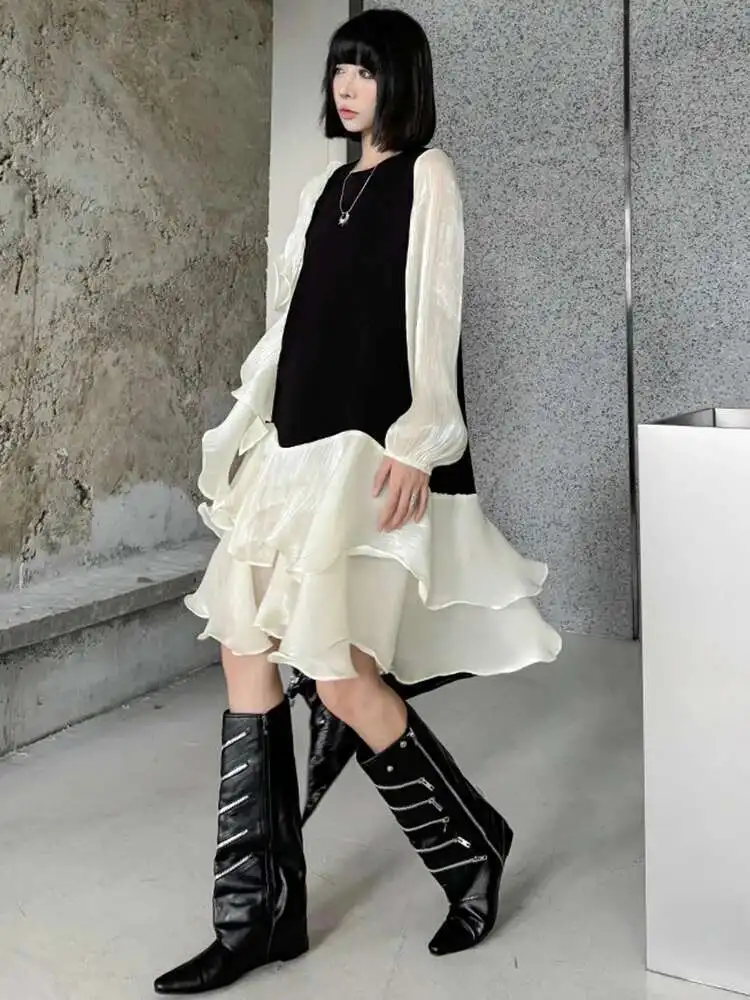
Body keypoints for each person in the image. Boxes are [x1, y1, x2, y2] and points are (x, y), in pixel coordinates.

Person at [154, 8, 561, 996]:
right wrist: (250, 425)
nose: (346, 86)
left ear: (401, 82)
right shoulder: (321, 191)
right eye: (340, 68)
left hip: (366, 450)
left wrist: (425, 437)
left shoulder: (428, 177)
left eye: (366, 71)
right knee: (244, 647)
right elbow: (289, 323)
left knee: (339, 676)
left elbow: (435, 312)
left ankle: (471, 849)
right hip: (294, 445)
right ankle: (257, 916)